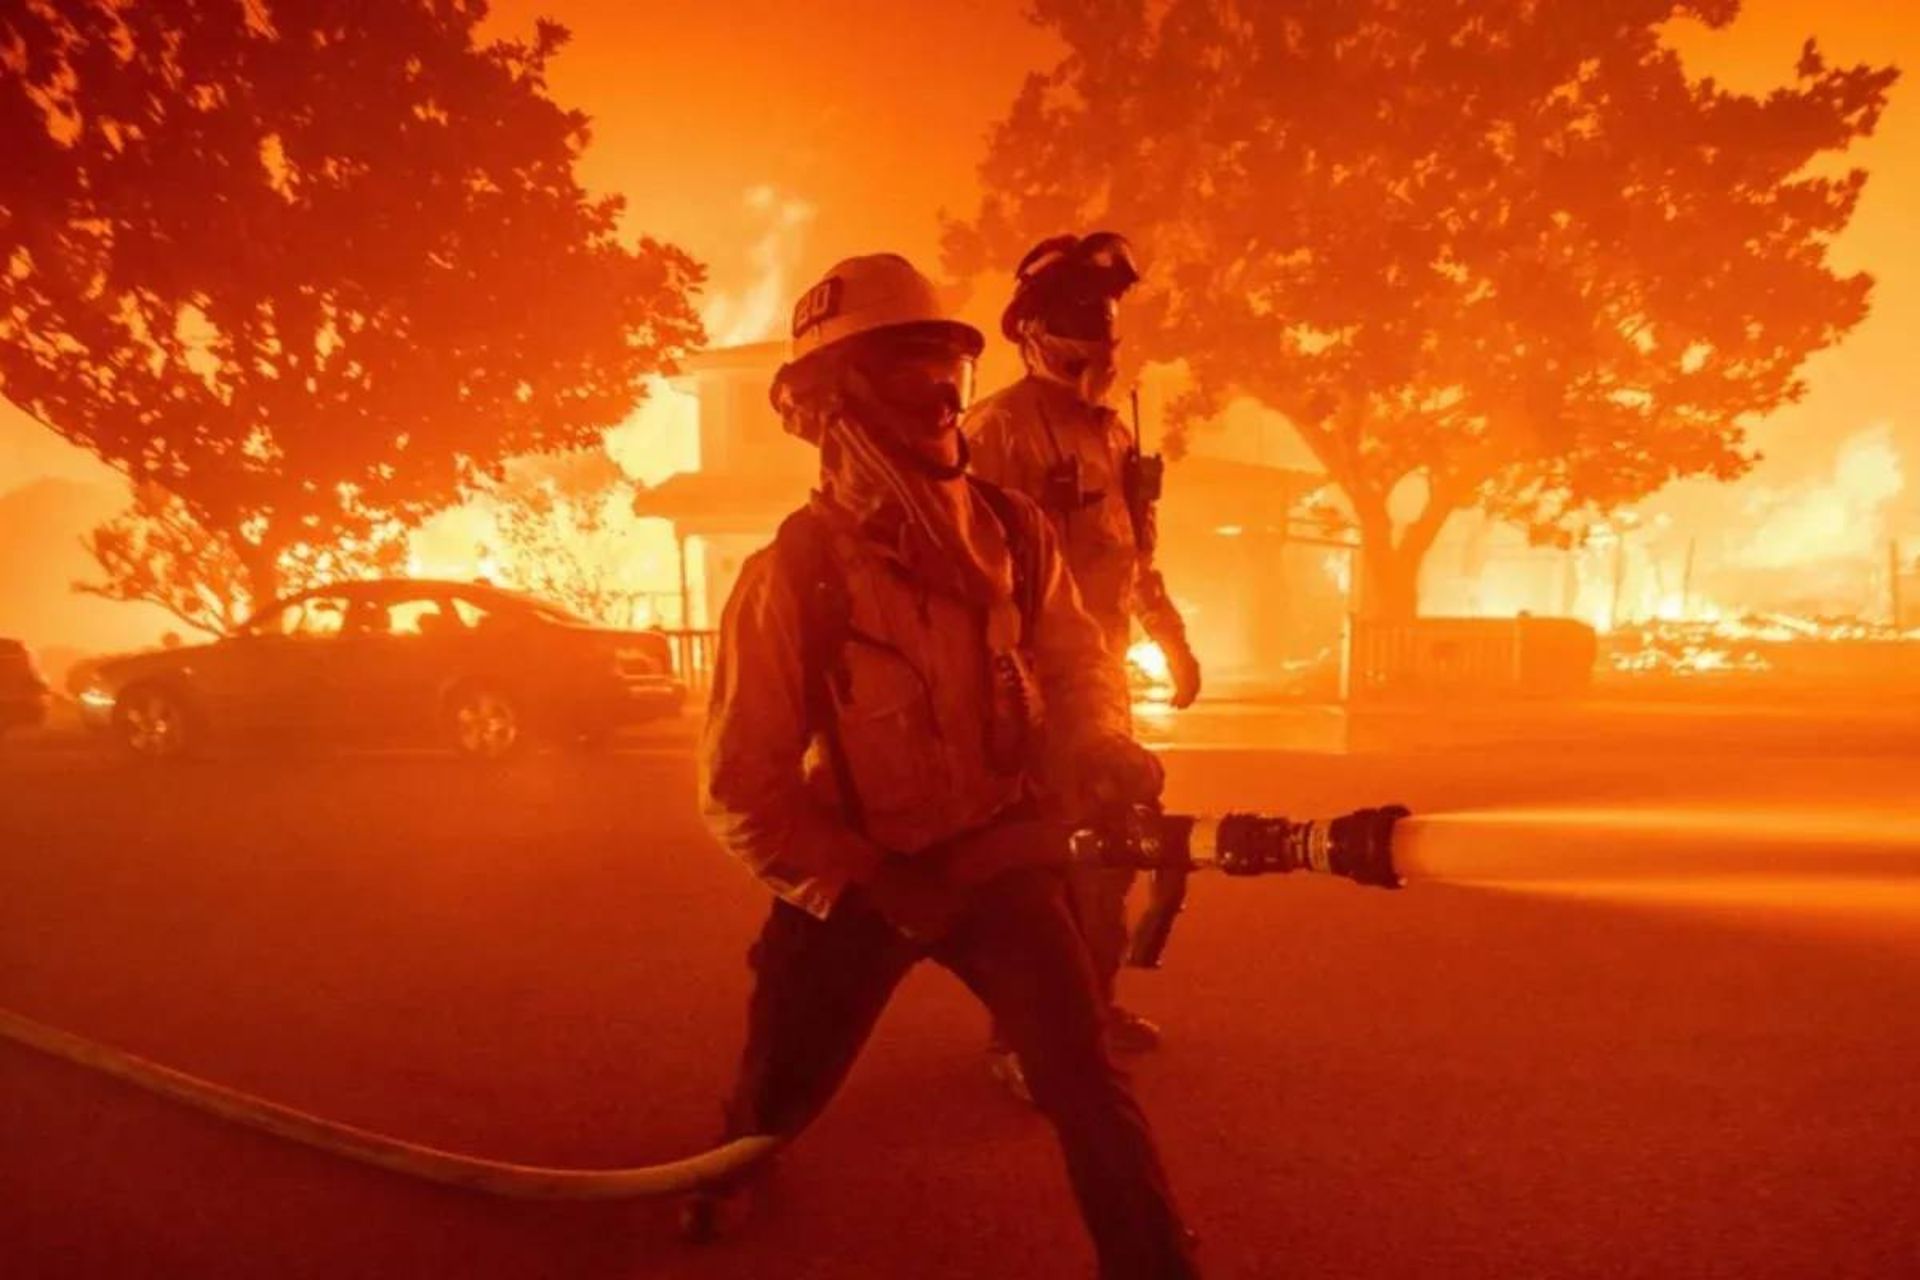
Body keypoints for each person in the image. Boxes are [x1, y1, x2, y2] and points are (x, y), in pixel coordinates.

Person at [695, 252, 1200, 1278]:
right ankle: (731, 1168)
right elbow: (742, 790)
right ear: (835, 406)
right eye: (904, 372)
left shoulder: (1014, 532)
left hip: (998, 858)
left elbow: (1076, 660)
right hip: (859, 877)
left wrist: (1099, 743)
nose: (938, 397)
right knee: (777, 1090)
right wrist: (876, 881)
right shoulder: (791, 576)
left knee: (1086, 1082)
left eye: (948, 371)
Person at [964, 232, 1200, 1085]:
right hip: (1029, 689)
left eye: (1103, 318)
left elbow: (1132, 552)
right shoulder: (994, 433)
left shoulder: (1109, 434)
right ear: (1029, 330)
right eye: (1075, 317)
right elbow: (968, 574)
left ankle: (1091, 1009)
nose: (1096, 336)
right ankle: (1021, 1039)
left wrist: (1170, 639)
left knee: (1113, 850)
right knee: (1039, 871)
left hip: (1103, 686)